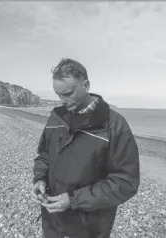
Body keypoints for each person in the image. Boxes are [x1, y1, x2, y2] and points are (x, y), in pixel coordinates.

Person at [32, 58, 140, 238]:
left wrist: (73, 199)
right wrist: (39, 179)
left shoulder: (114, 125)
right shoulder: (55, 119)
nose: (63, 101)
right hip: (52, 223)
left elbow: (126, 182)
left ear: (86, 85)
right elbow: (43, 156)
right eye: (58, 95)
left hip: (89, 228)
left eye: (68, 93)